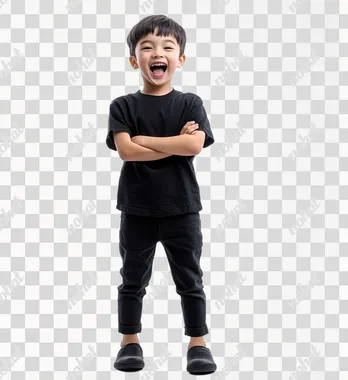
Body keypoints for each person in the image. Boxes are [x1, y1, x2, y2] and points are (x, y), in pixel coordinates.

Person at [106, 14, 216, 375]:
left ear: (180, 59)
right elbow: (126, 152)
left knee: (190, 278)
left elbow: (195, 145)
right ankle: (129, 341)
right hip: (136, 209)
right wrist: (176, 143)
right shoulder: (123, 106)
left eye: (168, 47)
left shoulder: (190, 103)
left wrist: (145, 140)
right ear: (134, 59)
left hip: (182, 209)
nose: (159, 52)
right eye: (148, 47)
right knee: (132, 279)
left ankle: (197, 343)